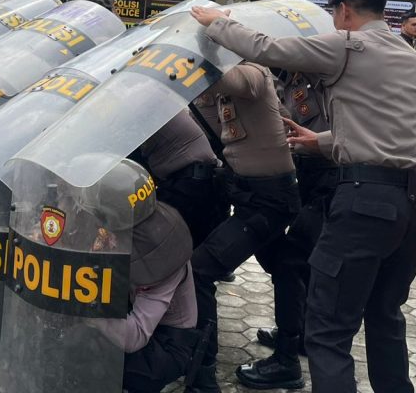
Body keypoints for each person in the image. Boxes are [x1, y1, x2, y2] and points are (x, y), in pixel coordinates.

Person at [190, 0, 416, 393]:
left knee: (327, 332)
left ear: (344, 10)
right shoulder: (407, 53)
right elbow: (386, 131)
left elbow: (266, 48)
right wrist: (320, 141)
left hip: (365, 204)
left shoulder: (348, 46)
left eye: (335, 15)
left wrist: (216, 20)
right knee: (384, 316)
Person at [185, 63, 301, 393]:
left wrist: (189, 54)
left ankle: (203, 376)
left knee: (200, 270)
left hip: (271, 200)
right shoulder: (223, 92)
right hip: (254, 196)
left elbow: (224, 78)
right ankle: (290, 353)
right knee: (285, 266)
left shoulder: (251, 74)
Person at [242, 71, 336, 387]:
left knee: (290, 261)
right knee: (290, 257)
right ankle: (302, 333)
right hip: (306, 172)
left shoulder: (330, 72)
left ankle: (286, 359)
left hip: (334, 177)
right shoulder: (291, 76)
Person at [89, 161, 199, 393]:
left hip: (166, 344)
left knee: (84, 346)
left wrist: (86, 311)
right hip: (141, 320)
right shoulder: (138, 227)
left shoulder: (161, 255)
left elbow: (134, 336)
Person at [138, 110, 222, 249]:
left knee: (148, 241)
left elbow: (129, 166)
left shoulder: (144, 110)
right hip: (199, 184)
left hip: (190, 187)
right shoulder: (155, 104)